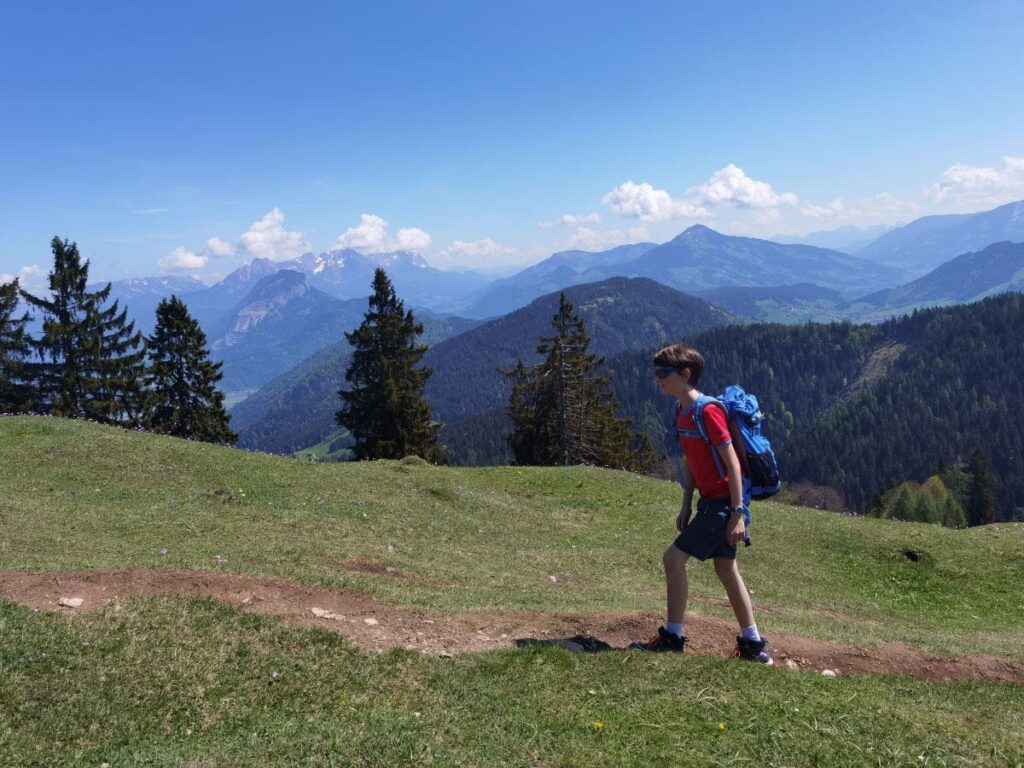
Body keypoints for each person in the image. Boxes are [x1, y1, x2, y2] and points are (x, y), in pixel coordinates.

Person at [630, 343, 773, 664]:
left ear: (685, 374)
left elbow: (733, 464)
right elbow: (693, 462)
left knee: (672, 560)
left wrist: (738, 514)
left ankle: (673, 637)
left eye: (663, 373)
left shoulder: (707, 411)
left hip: (723, 505)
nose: (658, 379)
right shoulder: (682, 413)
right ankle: (753, 645)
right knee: (726, 569)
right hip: (710, 502)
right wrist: (686, 504)